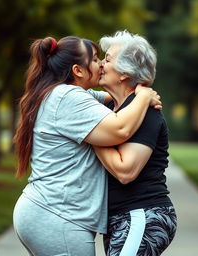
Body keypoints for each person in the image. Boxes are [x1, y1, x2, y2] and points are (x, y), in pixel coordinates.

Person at [12, 35, 161, 256]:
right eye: (94, 60)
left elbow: (115, 99)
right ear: (78, 70)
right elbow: (119, 129)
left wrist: (132, 95)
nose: (100, 64)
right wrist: (144, 95)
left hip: (48, 212)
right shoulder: (68, 97)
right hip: (59, 217)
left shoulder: (68, 93)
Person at [93, 31, 177, 256]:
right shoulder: (118, 111)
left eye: (107, 59)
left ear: (125, 72)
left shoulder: (147, 113)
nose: (100, 64)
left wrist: (91, 135)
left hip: (142, 213)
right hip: (121, 216)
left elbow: (126, 170)